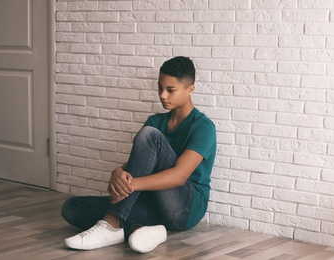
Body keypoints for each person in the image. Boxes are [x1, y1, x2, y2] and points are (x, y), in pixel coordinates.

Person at [61, 56, 217, 253]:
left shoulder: (203, 127)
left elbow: (179, 177)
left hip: (184, 209)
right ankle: (140, 229)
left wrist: (130, 186)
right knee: (73, 207)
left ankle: (113, 223)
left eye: (170, 90)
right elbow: (137, 165)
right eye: (160, 88)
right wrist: (117, 173)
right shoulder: (155, 120)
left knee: (149, 135)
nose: (162, 95)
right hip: (152, 202)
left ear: (190, 89)